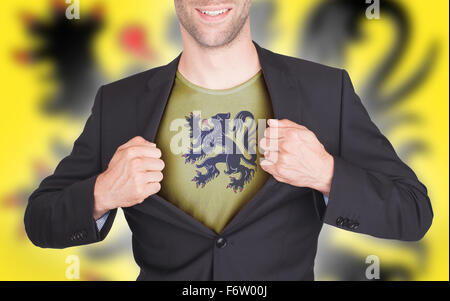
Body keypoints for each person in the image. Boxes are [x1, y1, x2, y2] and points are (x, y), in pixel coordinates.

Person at [24, 0, 433, 280]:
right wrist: (102, 193)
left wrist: (327, 173)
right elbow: (40, 220)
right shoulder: (118, 103)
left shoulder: (326, 92)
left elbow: (413, 212)